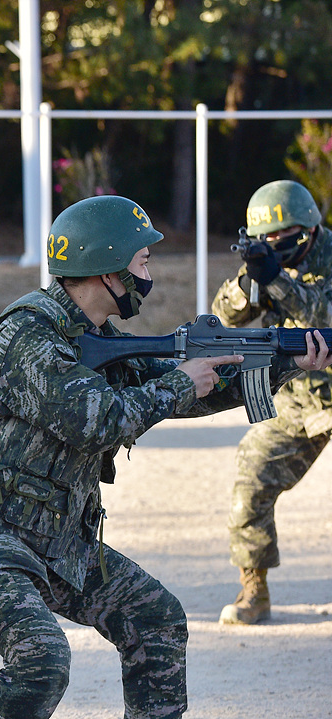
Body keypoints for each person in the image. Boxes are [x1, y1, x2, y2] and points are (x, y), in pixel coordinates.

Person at [0, 195, 331, 718]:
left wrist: (285, 361)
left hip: (54, 540)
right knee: (41, 660)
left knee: (157, 620)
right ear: (107, 268)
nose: (149, 273)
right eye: (141, 261)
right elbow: (98, 420)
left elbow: (188, 392)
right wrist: (178, 381)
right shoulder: (29, 337)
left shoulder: (94, 335)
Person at [211, 179, 332, 625]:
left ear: (309, 231)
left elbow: (318, 315)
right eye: (264, 242)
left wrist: (276, 279)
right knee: (252, 477)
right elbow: (220, 319)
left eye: (281, 240)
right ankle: (253, 590)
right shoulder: (265, 267)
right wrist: (250, 282)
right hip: (302, 400)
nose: (273, 248)